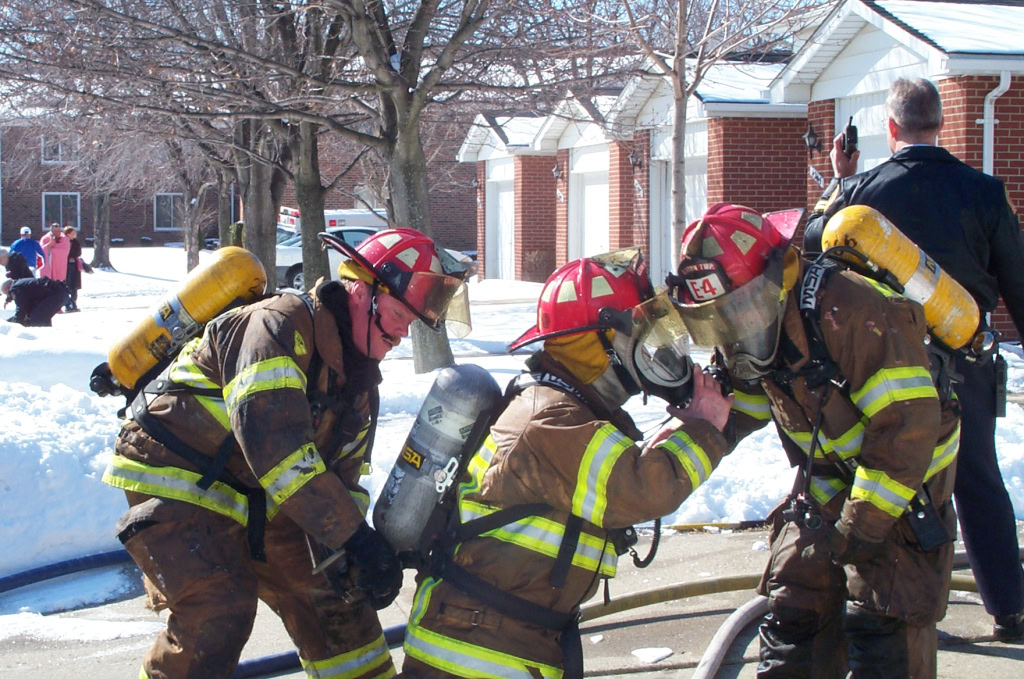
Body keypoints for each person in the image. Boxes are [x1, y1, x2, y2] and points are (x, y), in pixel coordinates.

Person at [102, 228, 470, 679]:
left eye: (412, 321)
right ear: (361, 290)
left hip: (261, 493)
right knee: (218, 608)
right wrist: (355, 539)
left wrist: (368, 553)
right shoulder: (277, 325)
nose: (401, 331)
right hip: (176, 474)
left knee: (336, 601)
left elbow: (342, 484)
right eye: (398, 313)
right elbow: (276, 447)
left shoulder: (358, 388)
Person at [399, 248, 734, 679]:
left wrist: (688, 427)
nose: (654, 351)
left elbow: (621, 467)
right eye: (642, 335)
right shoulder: (551, 418)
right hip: (476, 654)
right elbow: (642, 487)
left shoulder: (572, 411)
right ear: (599, 344)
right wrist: (706, 429)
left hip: (503, 641)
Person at [669, 203, 961, 678]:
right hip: (827, 477)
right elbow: (753, 400)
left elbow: (908, 426)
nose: (733, 329)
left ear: (773, 278)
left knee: (884, 616)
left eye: (737, 312)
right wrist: (704, 425)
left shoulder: (856, 312)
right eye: (719, 319)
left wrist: (862, 527)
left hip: (905, 483)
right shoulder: (754, 317)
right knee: (795, 602)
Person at [803, 77, 1024, 641]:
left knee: (884, 481)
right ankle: (1010, 607)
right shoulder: (985, 192)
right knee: (976, 479)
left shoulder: (861, 192)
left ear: (891, 127)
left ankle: (886, 607)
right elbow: (1020, 283)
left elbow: (809, 247)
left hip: (878, 369)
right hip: (966, 361)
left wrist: (839, 179)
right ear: (942, 123)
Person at [2, 276, 70, 326]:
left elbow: (21, 308)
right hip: (61, 292)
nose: (9, 296)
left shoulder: (15, 289)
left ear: (7, 288)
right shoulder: (20, 283)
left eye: (7, 294)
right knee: (37, 315)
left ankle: (45, 340)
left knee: (37, 318)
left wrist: (15, 324)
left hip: (56, 295)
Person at [62, 225, 91, 311]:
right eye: (72, 233)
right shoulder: (63, 241)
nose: (74, 235)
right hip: (65, 266)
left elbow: (78, 252)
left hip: (74, 265)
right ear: (67, 234)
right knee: (67, 285)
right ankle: (67, 305)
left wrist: (72, 256)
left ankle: (74, 305)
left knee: (74, 286)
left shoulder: (75, 242)